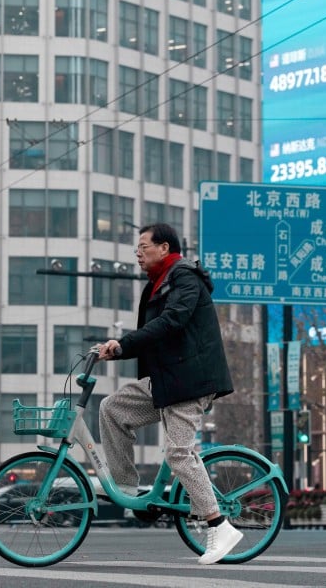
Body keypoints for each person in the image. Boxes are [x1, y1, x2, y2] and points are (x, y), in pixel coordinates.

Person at [95, 223, 236, 565]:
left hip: (190, 381)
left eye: (143, 246)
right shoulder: (158, 284)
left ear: (165, 247)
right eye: (137, 249)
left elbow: (173, 321)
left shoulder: (185, 277)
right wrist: (117, 349)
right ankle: (127, 489)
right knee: (112, 408)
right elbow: (152, 334)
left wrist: (124, 342)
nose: (138, 253)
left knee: (178, 453)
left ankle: (219, 525)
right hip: (166, 378)